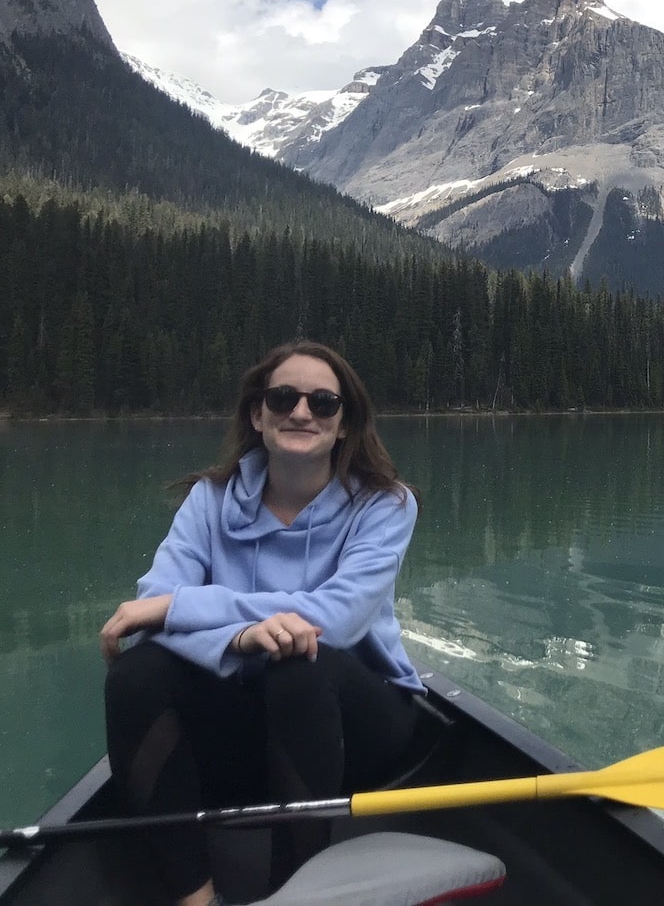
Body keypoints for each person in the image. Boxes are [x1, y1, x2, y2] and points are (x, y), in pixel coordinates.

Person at [99, 341, 424, 906]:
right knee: (136, 674)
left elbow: (336, 621)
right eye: (283, 397)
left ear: (344, 423)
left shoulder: (385, 505)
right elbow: (155, 596)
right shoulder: (210, 498)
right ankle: (196, 898)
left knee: (300, 662)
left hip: (356, 730)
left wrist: (192, 611)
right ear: (258, 414)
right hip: (245, 723)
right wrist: (238, 636)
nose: (302, 412)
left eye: (324, 403)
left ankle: (292, 891)